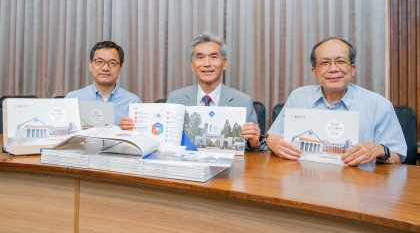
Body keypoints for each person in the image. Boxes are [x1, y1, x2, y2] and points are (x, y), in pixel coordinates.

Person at [267, 37, 407, 166]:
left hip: (359, 186)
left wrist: (380, 150)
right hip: (303, 181)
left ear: (352, 69)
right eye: (325, 63)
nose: (333, 69)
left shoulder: (379, 106)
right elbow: (274, 135)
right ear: (314, 72)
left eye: (340, 61)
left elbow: (397, 157)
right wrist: (271, 140)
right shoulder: (298, 97)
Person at [119, 32, 264, 150]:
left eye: (213, 57)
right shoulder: (176, 97)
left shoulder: (243, 101)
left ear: (224, 63)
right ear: (192, 65)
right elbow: (161, 140)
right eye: (200, 57)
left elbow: (256, 148)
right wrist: (134, 130)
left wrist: (254, 142)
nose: (207, 64)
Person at [65, 41, 141, 125]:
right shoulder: (73, 99)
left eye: (112, 63)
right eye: (99, 62)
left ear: (120, 69)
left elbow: (140, 135)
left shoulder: (133, 102)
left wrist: (128, 131)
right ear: (90, 65)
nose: (105, 68)